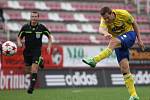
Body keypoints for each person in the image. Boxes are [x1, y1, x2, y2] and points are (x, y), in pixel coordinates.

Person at [82, 7, 144, 100]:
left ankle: (95, 60)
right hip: (118, 40)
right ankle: (134, 95)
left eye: (107, 18)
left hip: (129, 35)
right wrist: (105, 33)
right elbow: (100, 29)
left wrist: (139, 39)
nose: (106, 20)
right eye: (104, 18)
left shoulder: (124, 14)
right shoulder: (104, 19)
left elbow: (134, 24)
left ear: (112, 13)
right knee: (124, 68)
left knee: (113, 41)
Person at [17, 11, 52, 94]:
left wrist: (49, 46)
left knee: (34, 68)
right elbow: (19, 37)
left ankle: (31, 88)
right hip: (27, 51)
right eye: (32, 16)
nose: (34, 18)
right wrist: (19, 43)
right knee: (27, 70)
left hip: (36, 50)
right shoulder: (25, 27)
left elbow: (49, 37)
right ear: (30, 17)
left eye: (36, 16)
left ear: (38, 18)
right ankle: (40, 60)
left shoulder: (41, 27)